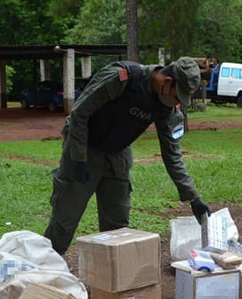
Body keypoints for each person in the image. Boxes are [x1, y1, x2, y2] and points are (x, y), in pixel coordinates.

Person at [43, 56, 212, 255]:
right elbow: (80, 114)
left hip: (118, 155)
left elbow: (172, 154)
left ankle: (110, 280)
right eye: (178, 96)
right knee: (65, 220)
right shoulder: (122, 78)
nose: (177, 103)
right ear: (167, 82)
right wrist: (79, 159)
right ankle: (46, 270)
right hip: (84, 147)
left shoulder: (166, 109)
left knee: (118, 229)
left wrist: (193, 197)